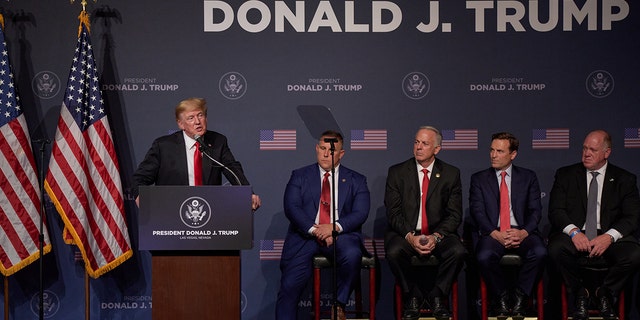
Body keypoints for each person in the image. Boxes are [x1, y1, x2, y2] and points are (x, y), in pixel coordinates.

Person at [275, 130, 370, 320]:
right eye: (323, 148)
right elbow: (291, 207)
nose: (326, 154)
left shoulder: (356, 180)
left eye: (331, 150)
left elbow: (360, 213)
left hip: (339, 236)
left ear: (341, 154)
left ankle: (339, 304)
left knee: (353, 254)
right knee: (288, 287)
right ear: (317, 149)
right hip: (306, 237)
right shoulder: (299, 175)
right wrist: (316, 230)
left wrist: (333, 228)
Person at [548, 129, 640, 320]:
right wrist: (574, 232)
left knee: (633, 254)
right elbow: (556, 211)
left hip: (609, 236)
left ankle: (604, 292)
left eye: (593, 149)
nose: (586, 153)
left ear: (606, 153)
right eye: (584, 148)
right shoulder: (565, 174)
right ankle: (581, 293)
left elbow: (631, 217)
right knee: (556, 249)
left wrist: (609, 237)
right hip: (576, 234)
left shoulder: (625, 179)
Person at [384, 126, 466, 320]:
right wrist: (410, 237)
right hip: (406, 233)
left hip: (438, 233)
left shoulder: (451, 174)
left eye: (425, 143)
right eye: (416, 142)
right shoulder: (397, 172)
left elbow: (454, 215)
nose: (418, 147)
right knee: (394, 252)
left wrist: (436, 237)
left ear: (437, 149)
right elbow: (393, 213)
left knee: (458, 251)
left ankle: (437, 295)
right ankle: (412, 296)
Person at [132, 97, 261, 211]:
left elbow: (232, 169)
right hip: (172, 212)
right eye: (191, 118)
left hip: (209, 211)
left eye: (200, 115)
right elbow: (139, 179)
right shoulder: (163, 146)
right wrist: (140, 195)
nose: (197, 122)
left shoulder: (218, 141)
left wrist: (247, 193)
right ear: (181, 124)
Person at [469, 132, 547, 319]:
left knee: (540, 253)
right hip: (493, 233)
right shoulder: (479, 178)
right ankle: (501, 297)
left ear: (513, 154)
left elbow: (535, 210)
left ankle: (520, 297)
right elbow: (477, 211)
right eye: (492, 150)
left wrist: (523, 232)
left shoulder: (528, 177)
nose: (493, 155)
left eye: (500, 151)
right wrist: (495, 234)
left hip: (522, 232)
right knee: (484, 256)